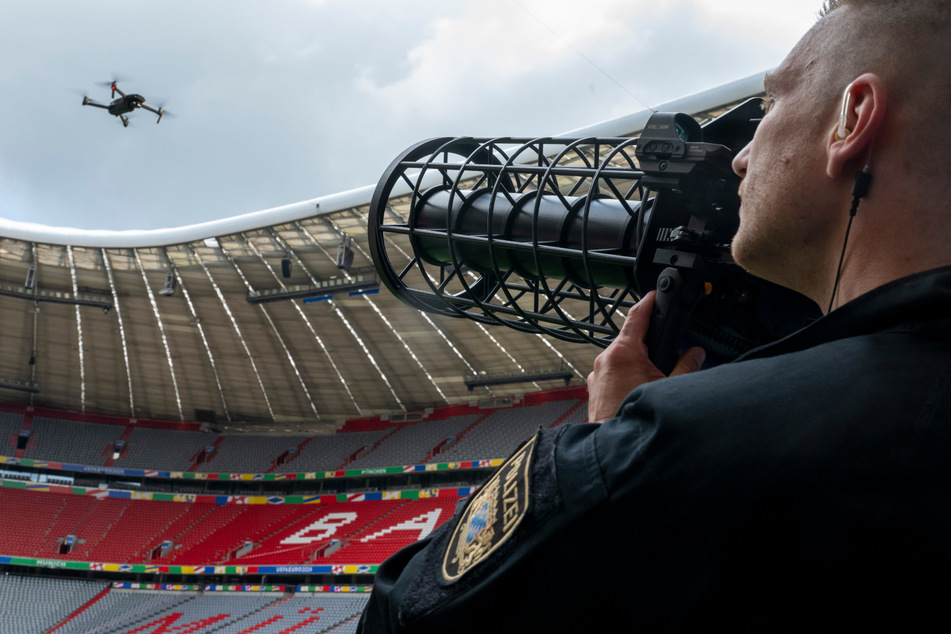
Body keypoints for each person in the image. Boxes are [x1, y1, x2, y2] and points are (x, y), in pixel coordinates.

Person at [358, 0, 951, 631]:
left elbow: (403, 618)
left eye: (772, 105)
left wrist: (611, 448)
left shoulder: (683, 446)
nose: (742, 156)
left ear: (852, 119)